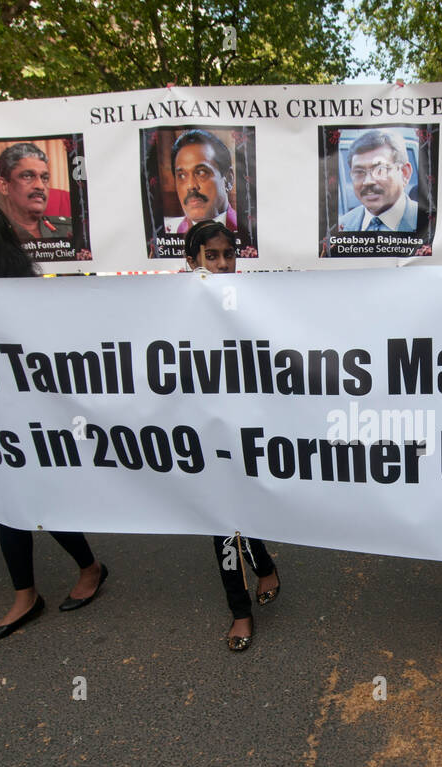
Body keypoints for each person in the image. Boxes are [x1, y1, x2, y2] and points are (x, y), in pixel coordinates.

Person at [0, 197, 108, 642]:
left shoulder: (16, 287)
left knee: (35, 494)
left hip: (23, 410)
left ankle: (88, 567)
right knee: (7, 499)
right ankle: (25, 594)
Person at [183, 221, 284, 650]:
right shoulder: (176, 307)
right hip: (204, 429)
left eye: (229, 255)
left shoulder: (252, 301)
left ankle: (264, 566)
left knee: (241, 510)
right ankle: (239, 611)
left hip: (246, 426)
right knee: (220, 521)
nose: (222, 264)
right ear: (192, 261)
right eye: (211, 256)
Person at [160, 129, 248, 241]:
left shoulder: (248, 232)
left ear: (229, 179)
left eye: (201, 173)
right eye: (182, 176)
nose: (191, 185)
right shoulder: (167, 231)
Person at [334, 129, 425, 232]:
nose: (368, 181)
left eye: (380, 170)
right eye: (359, 172)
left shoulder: (427, 223)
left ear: (404, 173)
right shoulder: (343, 226)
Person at [0, 142, 73, 243]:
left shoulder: (68, 230)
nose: (40, 186)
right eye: (27, 176)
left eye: (45, 178)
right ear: (4, 185)